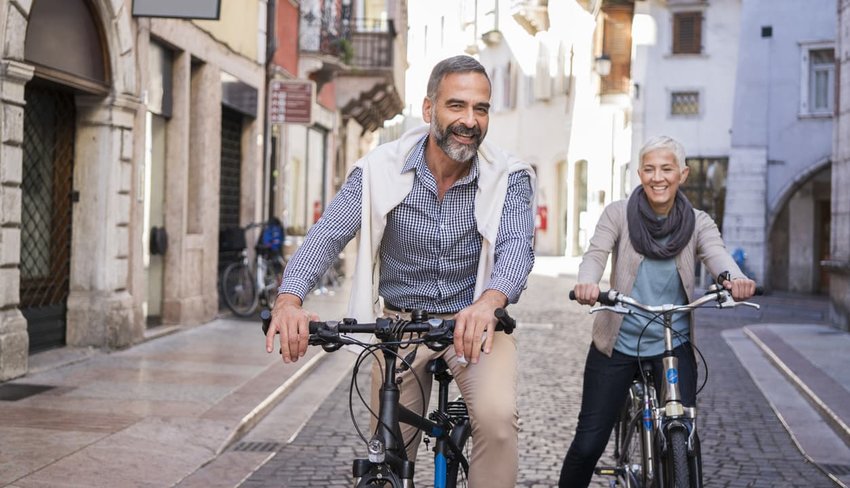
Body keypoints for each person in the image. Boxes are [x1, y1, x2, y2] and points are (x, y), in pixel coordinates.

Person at [265, 55, 536, 487]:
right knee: (388, 449)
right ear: (429, 110)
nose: (470, 120)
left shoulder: (510, 175)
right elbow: (327, 235)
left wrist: (489, 303)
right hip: (400, 328)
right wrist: (289, 300)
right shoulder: (380, 168)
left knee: (498, 420)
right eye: (456, 106)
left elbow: (516, 249)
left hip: (475, 323)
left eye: (480, 109)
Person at [559, 135, 756, 487]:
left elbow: (717, 256)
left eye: (666, 168)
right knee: (588, 444)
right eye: (649, 169)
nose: (657, 177)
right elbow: (595, 255)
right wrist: (587, 284)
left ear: (683, 174)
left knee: (685, 434)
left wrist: (734, 279)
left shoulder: (698, 222)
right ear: (639, 173)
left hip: (672, 343)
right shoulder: (618, 214)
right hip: (617, 344)